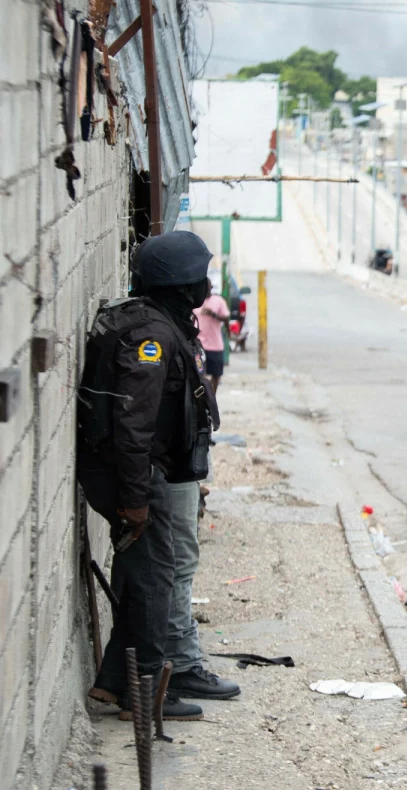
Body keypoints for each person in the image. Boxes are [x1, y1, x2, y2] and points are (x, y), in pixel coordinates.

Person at [77, 231, 240, 723]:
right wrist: (135, 498)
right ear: (179, 282)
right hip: (136, 475)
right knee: (153, 581)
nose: (206, 285)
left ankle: (112, 681)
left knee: (145, 576)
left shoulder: (164, 322)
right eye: (199, 277)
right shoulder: (151, 336)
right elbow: (133, 424)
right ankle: (146, 693)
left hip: (144, 472)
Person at [195, 279, 230, 396]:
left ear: (211, 288)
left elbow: (226, 318)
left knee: (216, 375)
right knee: (199, 374)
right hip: (199, 345)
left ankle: (212, 397)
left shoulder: (218, 301)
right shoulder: (195, 301)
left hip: (215, 345)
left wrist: (213, 314)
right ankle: (202, 398)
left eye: (208, 287)